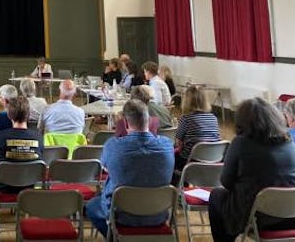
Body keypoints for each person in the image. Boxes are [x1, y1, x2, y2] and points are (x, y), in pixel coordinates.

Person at [209, 98, 295, 242]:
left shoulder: (240, 143)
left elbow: (226, 182)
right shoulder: (289, 141)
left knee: (217, 196)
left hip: (260, 217)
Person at [85, 100, 175, 237]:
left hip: (122, 214)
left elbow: (105, 168)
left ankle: (115, 238)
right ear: (149, 121)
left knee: (92, 206)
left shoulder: (113, 145)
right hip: (157, 212)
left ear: (125, 123)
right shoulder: (167, 144)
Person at [0, 97, 43, 194]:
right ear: (28, 115)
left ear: (9, 115)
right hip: (31, 184)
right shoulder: (39, 138)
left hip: (4, 186)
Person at [174, 85, 221, 171]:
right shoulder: (213, 118)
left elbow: (178, 142)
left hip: (190, 162)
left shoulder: (186, 118)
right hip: (212, 160)